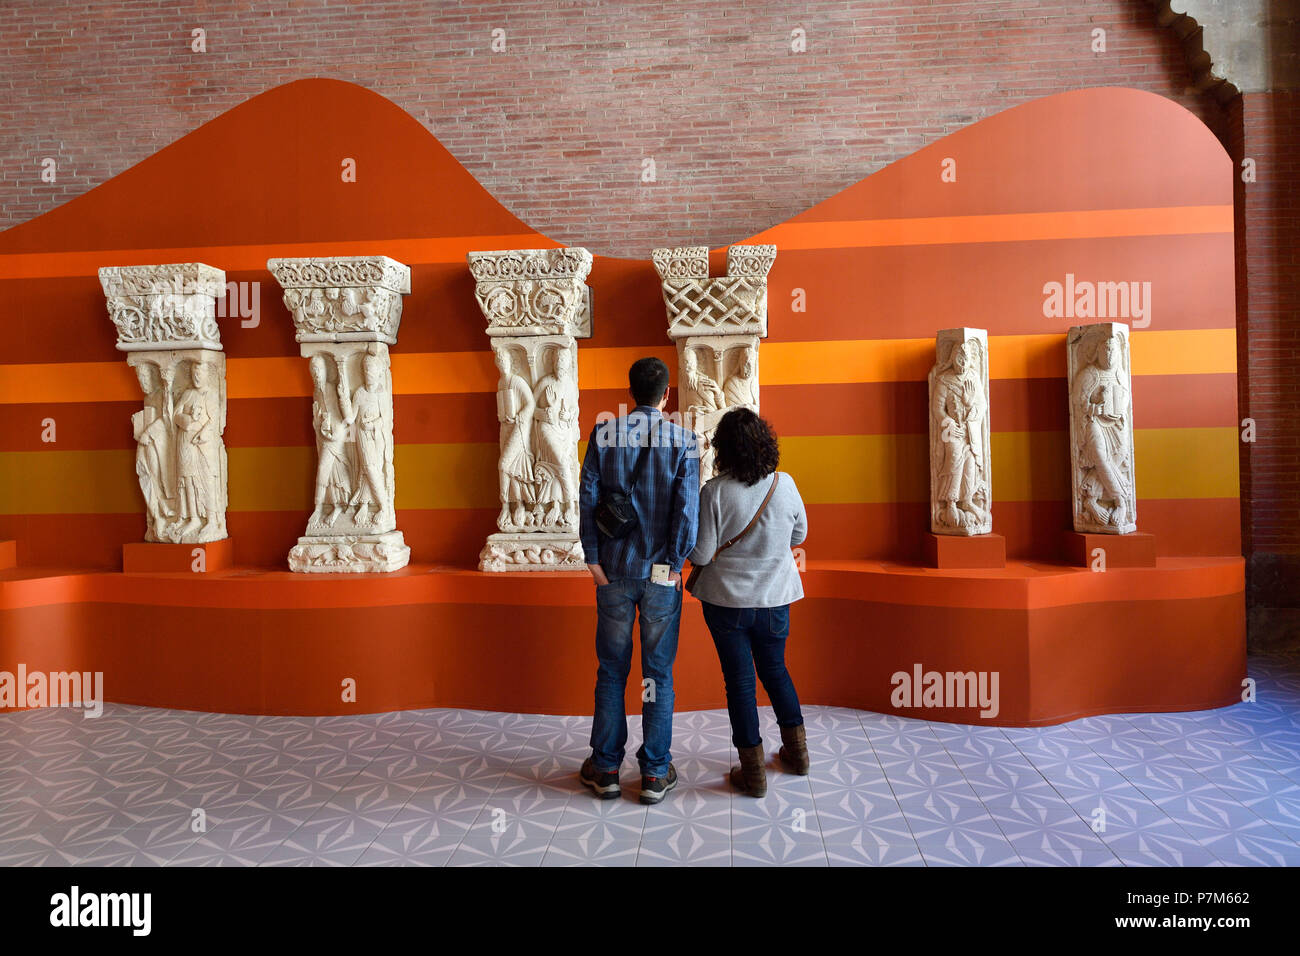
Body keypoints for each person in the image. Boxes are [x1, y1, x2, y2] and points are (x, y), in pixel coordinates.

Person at [578, 357, 699, 805]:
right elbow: (687, 514)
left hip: (612, 572)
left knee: (611, 671)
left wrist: (593, 561)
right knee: (657, 674)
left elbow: (587, 496)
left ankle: (606, 769)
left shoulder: (604, 434)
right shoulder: (684, 440)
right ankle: (653, 773)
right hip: (660, 577)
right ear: (666, 394)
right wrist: (674, 563)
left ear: (631, 393)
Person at [689, 407, 809, 797]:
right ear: (765, 444)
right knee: (776, 671)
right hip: (775, 599)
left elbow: (702, 556)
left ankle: (753, 773)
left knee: (740, 683)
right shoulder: (785, 484)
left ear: (723, 449)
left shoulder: (714, 492)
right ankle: (798, 755)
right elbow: (799, 535)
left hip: (726, 603)